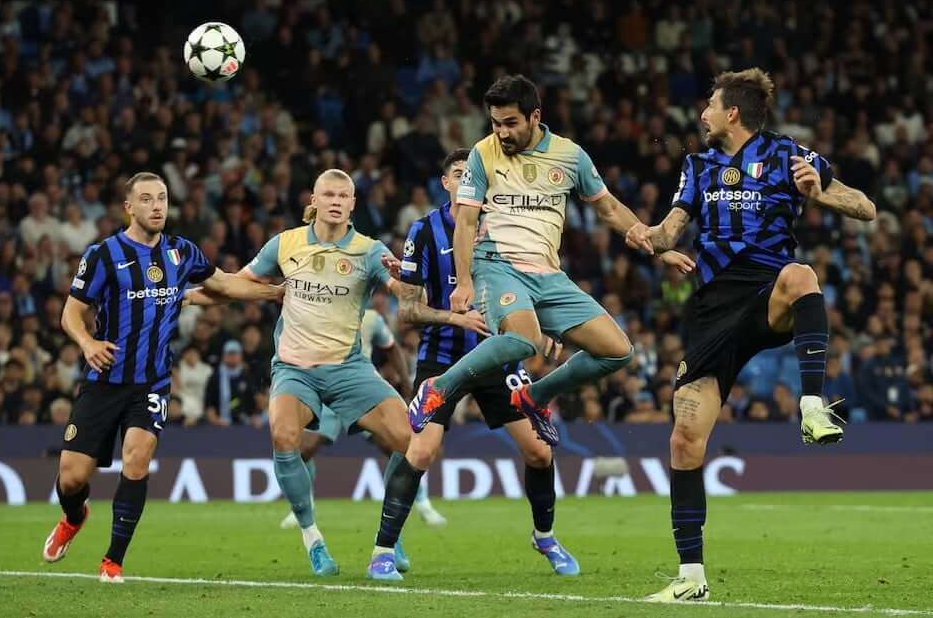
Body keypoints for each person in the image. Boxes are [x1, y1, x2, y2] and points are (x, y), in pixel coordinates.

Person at [627, 68, 876, 602]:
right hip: (712, 311)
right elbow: (671, 229)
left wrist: (822, 193)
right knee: (684, 439)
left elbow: (867, 207)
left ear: (732, 113)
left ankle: (812, 403)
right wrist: (646, 236)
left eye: (711, 106)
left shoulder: (788, 154)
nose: (703, 115)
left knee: (802, 275)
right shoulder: (697, 165)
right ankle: (691, 578)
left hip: (767, 294)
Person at [407, 74, 692, 464]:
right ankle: (438, 387)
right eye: (495, 123)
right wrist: (466, 282)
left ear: (534, 116)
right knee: (526, 340)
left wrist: (659, 248)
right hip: (498, 265)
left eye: (510, 123)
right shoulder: (482, 154)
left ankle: (534, 396)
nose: (502, 132)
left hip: (548, 275)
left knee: (618, 351)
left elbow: (608, 209)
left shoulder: (570, 155)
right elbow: (468, 223)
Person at [42, 172, 283, 583]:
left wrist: (277, 292)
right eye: (147, 199)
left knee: (137, 462)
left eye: (163, 199)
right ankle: (73, 516)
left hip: (151, 382)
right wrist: (87, 344)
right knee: (72, 478)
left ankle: (112, 561)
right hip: (103, 379)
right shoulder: (103, 255)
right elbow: (71, 313)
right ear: (129, 207)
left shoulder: (181, 252)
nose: (157, 206)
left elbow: (224, 284)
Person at [368, 147, 581, 582]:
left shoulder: (507, 229)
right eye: (460, 174)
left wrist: (552, 324)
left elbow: (538, 288)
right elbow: (407, 310)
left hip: (499, 357)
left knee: (539, 452)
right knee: (422, 449)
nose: (468, 180)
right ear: (446, 183)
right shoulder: (424, 231)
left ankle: (546, 537)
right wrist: (454, 316)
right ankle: (382, 551)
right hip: (443, 356)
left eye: (475, 174)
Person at [189, 169, 415, 577]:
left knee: (411, 442)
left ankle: (390, 534)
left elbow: (401, 290)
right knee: (283, 435)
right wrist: (187, 298)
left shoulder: (368, 250)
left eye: (343, 195)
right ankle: (313, 540)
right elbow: (237, 284)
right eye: (328, 193)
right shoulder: (286, 243)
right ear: (314, 198)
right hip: (295, 368)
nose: (335, 200)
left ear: (352, 204)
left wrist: (406, 280)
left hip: (349, 368)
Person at [279, 306, 447, 532]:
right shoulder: (318, 311)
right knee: (304, 449)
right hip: (325, 390)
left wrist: (407, 384)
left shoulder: (371, 318)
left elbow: (391, 347)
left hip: (360, 392)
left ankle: (423, 504)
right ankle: (302, 504)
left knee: (399, 447)